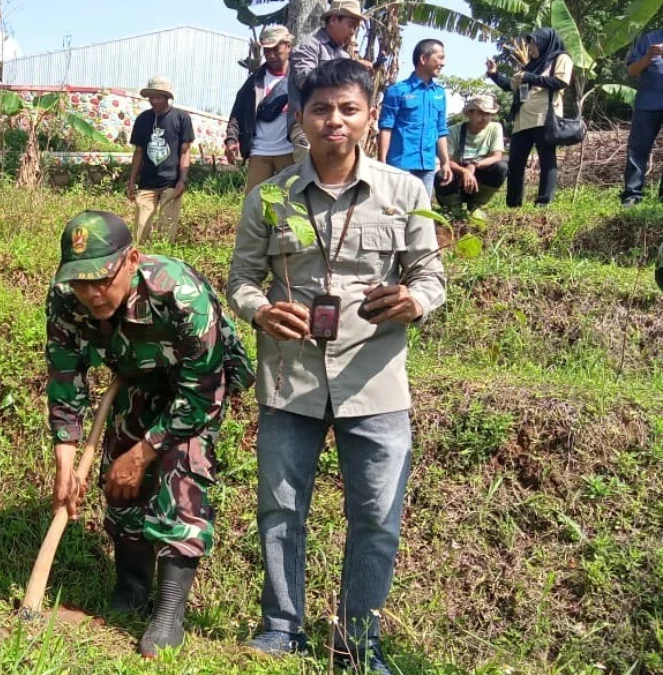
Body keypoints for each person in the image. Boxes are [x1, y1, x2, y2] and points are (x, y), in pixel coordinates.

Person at [227, 59, 446, 674]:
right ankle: (280, 627)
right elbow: (241, 278)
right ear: (301, 118)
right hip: (289, 379)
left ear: (369, 115)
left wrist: (414, 300)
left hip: (373, 380)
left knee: (377, 517)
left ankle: (358, 640)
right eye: (321, 109)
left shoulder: (405, 193)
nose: (334, 121)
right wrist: (261, 310)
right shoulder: (269, 197)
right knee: (279, 507)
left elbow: (430, 276)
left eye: (348, 109)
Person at [46, 211, 254, 657]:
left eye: (102, 279)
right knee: (118, 476)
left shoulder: (180, 294)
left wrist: (144, 453)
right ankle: (131, 588)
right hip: (136, 377)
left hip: (196, 385)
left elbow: (203, 392)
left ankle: (169, 613)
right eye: (80, 282)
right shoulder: (66, 296)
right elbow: (65, 373)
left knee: (182, 467)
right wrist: (65, 458)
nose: (92, 293)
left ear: (131, 260)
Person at [487, 28, 574, 208]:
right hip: (522, 119)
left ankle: (543, 201)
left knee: (547, 159)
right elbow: (511, 86)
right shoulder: (530, 66)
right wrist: (494, 74)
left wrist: (530, 78)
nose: (531, 48)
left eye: (534, 44)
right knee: (515, 162)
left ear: (544, 43)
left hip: (545, 117)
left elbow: (560, 82)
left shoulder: (561, 58)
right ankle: (513, 203)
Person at [287, 0, 378, 164]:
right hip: (309, 127)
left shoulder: (343, 55)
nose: (352, 31)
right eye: (350, 25)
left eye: (356, 27)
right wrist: (342, 71)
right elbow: (304, 81)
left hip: (338, 127)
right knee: (308, 176)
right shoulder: (309, 47)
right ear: (334, 19)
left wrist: (354, 71)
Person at [226, 25, 296, 194]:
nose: (270, 55)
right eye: (267, 50)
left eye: (275, 49)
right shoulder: (255, 80)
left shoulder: (300, 77)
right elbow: (237, 113)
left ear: (287, 46)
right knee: (253, 204)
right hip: (260, 152)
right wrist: (231, 139)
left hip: (290, 152)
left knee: (291, 204)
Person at [379, 39, 453, 198]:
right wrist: (382, 163)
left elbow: (441, 131)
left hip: (427, 165)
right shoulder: (397, 91)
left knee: (422, 213)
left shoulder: (439, 93)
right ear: (423, 59)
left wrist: (445, 162)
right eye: (439, 58)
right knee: (396, 210)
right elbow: (386, 128)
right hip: (400, 165)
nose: (443, 63)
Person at [128, 76, 195, 244]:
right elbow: (139, 152)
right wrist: (131, 180)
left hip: (171, 183)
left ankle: (164, 263)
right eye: (151, 97)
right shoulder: (143, 120)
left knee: (166, 230)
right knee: (140, 230)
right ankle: (141, 261)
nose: (154, 101)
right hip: (147, 184)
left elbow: (185, 152)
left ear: (167, 97)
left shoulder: (181, 118)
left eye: (158, 97)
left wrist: (182, 179)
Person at [436, 93, 508, 209]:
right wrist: (464, 172)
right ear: (470, 113)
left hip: (479, 177)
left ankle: (476, 204)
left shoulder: (495, 128)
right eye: (480, 113)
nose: (484, 118)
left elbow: (497, 156)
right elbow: (446, 160)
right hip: (457, 177)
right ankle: (453, 207)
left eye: (488, 114)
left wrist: (474, 165)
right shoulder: (453, 131)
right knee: (442, 173)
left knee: (501, 168)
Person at [619, 26, 663, 207]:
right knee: (637, 150)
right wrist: (649, 57)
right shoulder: (650, 39)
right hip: (648, 104)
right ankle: (632, 194)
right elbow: (632, 71)